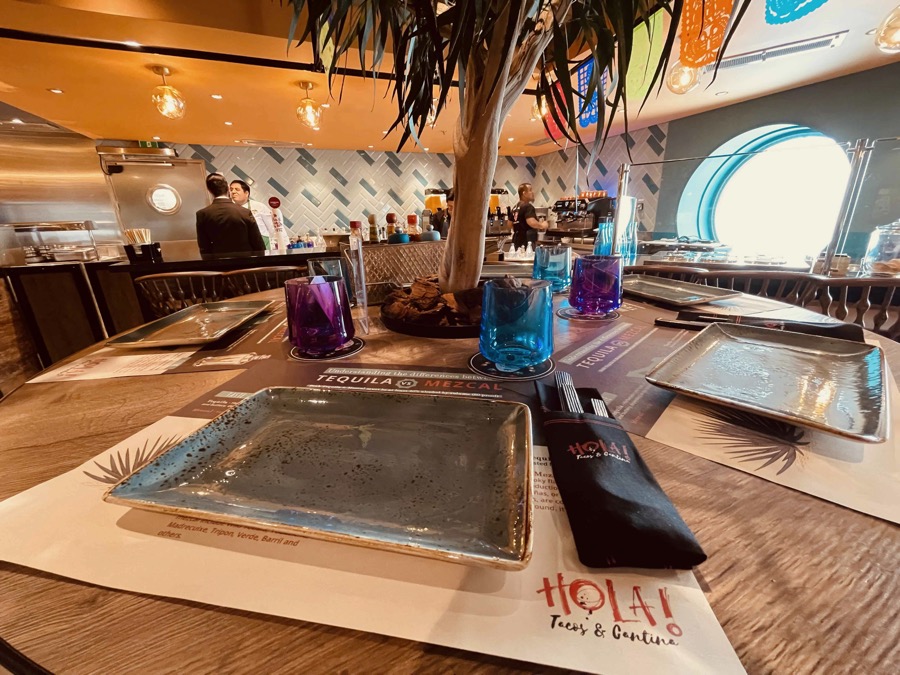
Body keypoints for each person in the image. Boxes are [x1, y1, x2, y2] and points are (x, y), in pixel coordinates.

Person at [195, 174, 266, 256]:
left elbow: (204, 247)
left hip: (219, 261)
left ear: (209, 190)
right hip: (246, 260)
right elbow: (257, 243)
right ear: (228, 188)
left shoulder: (202, 214)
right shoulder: (244, 212)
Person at [229, 180, 290, 251]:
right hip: (241, 248)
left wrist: (285, 245)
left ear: (246, 193)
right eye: (231, 189)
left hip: (263, 247)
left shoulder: (259, 206)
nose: (233, 192)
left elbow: (274, 227)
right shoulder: (229, 209)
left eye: (237, 189)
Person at [513, 182, 548, 250]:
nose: (532, 192)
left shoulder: (515, 207)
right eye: (530, 190)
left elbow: (509, 224)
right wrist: (542, 225)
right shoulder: (528, 206)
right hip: (526, 242)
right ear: (524, 193)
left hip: (516, 241)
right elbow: (531, 222)